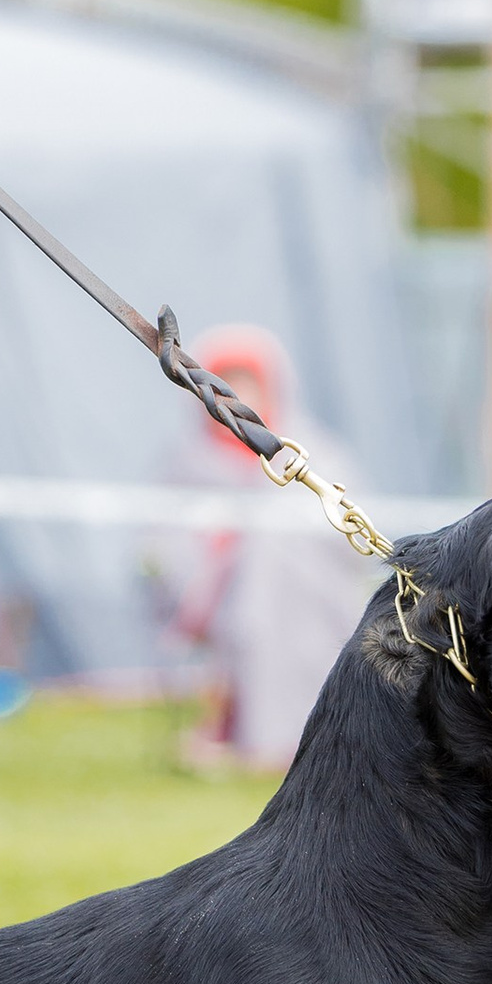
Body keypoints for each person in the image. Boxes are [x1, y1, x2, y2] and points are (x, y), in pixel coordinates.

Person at [159, 322, 376, 775]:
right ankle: (238, 728)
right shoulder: (187, 461)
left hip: (311, 600)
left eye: (248, 384)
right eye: (226, 385)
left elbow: (348, 530)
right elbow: (165, 545)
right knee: (254, 591)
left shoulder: (315, 451)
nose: (239, 396)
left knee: (276, 570)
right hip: (221, 600)